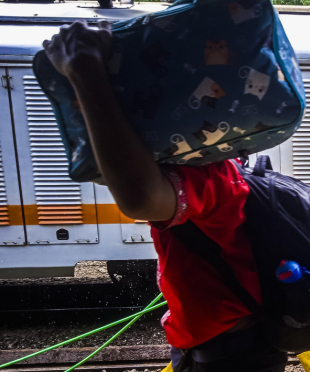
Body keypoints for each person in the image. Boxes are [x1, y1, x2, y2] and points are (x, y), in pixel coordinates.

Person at [43, 20, 287, 372]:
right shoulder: (217, 164)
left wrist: (85, 70)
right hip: (229, 346)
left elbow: (138, 196)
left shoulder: (209, 172)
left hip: (229, 356)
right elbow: (120, 173)